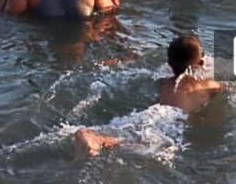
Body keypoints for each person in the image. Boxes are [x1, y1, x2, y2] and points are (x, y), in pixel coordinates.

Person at [74, 34, 222, 156]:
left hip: (154, 115)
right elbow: (226, 86)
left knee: (134, 134)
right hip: (171, 122)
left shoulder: (163, 82)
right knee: (147, 145)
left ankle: (92, 136)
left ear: (169, 63)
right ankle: (99, 140)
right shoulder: (207, 85)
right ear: (201, 63)